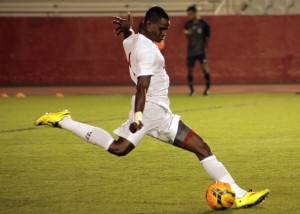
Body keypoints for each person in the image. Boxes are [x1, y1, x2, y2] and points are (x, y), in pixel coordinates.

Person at [34, 6, 269, 209]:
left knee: (196, 148)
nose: (164, 33)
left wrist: (128, 29)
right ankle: (64, 120)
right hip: (150, 111)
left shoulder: (135, 40)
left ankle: (238, 194)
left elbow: (130, 38)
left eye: (167, 29)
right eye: (161, 28)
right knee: (122, 149)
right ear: (149, 23)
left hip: (160, 113)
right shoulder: (147, 51)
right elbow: (142, 87)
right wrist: (138, 116)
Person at [184, 5, 211, 96]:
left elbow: (207, 37)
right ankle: (192, 90)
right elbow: (187, 36)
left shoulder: (204, 24)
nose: (189, 16)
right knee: (190, 70)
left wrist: (203, 47)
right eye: (188, 14)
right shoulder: (187, 25)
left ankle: (207, 89)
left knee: (205, 69)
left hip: (201, 51)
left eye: (191, 14)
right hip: (191, 52)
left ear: (195, 13)